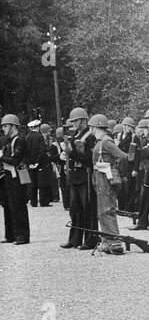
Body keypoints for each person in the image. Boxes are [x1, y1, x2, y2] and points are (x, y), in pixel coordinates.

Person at [87, 113, 131, 254]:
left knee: (107, 209)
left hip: (105, 178)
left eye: (91, 127)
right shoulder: (101, 141)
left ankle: (115, 242)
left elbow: (124, 157)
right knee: (102, 210)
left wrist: (113, 169)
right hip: (100, 177)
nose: (90, 130)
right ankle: (107, 240)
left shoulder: (106, 142)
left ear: (95, 127)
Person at [61, 107, 97, 250]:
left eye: (76, 120)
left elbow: (89, 159)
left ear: (83, 120)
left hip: (86, 175)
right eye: (73, 121)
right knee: (75, 209)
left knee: (88, 208)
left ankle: (90, 240)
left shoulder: (90, 137)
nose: (74, 123)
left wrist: (72, 152)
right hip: (75, 175)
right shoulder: (74, 135)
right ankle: (74, 239)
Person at [1, 114, 31, 244]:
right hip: (8, 177)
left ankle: (22, 235)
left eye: (5, 126)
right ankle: (11, 234)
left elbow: (15, 160)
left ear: (13, 126)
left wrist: (1, 157)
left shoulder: (20, 140)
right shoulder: (8, 141)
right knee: (8, 206)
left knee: (18, 206)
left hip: (18, 177)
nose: (3, 129)